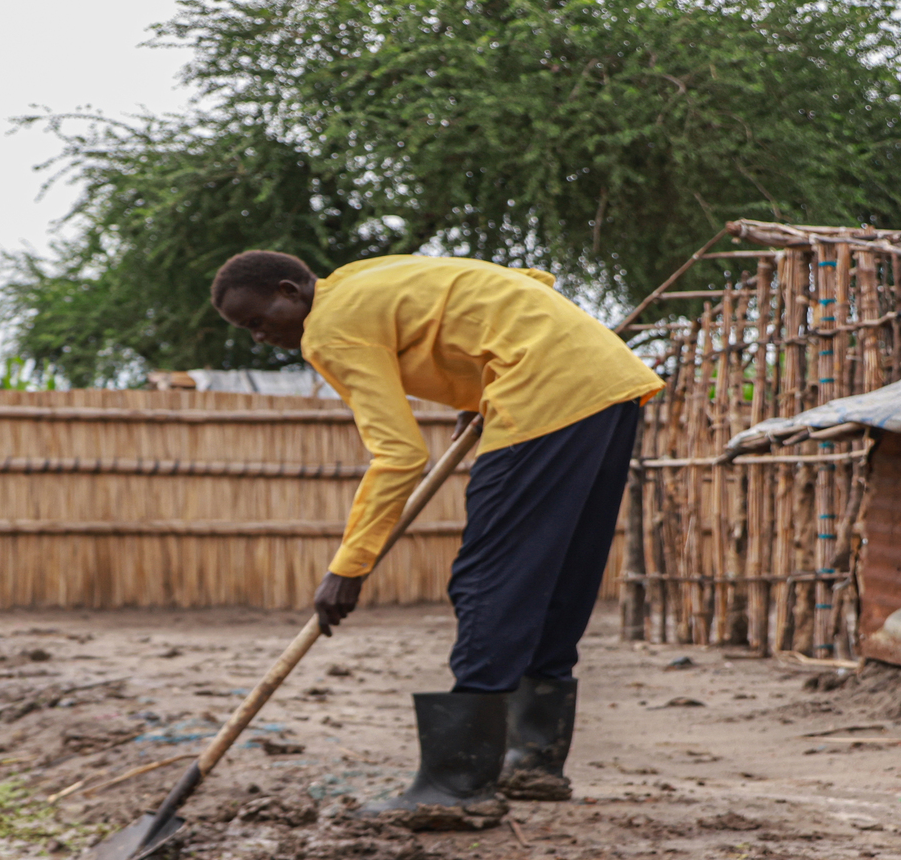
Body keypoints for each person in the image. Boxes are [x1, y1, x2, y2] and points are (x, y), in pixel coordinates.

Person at [211, 250, 661, 812]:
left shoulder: (327, 329)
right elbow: (522, 283)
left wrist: (348, 568)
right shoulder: (362, 278)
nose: (260, 337)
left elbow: (398, 455)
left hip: (541, 389)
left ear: (289, 291)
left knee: (489, 579)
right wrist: (476, 390)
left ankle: (456, 783)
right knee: (559, 570)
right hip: (605, 378)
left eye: (257, 320)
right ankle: (535, 760)